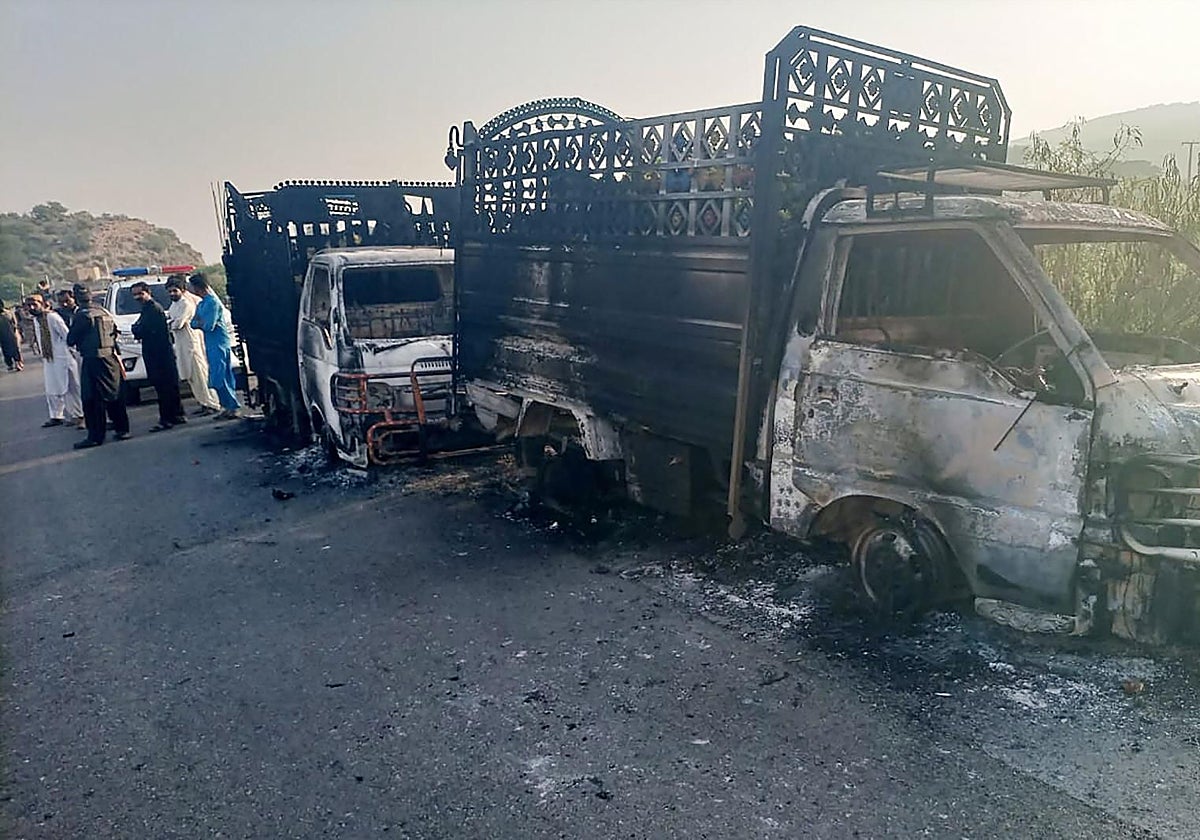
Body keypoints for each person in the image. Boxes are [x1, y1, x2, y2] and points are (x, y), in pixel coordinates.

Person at [67, 284, 130, 448]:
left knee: (92, 399)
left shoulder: (82, 315)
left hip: (93, 359)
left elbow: (71, 339)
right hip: (110, 357)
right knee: (114, 394)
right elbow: (115, 333)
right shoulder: (103, 312)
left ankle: (95, 436)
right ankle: (122, 428)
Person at [130, 281, 186, 431]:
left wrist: (136, 329)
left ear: (148, 293)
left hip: (159, 355)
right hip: (158, 353)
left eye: (140, 293)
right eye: (134, 295)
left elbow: (141, 329)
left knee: (163, 388)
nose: (137, 297)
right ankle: (176, 414)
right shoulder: (147, 309)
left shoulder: (153, 309)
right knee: (169, 386)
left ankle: (167, 419)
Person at [188, 272, 241, 420]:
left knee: (221, 376)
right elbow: (194, 323)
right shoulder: (202, 304)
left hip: (219, 343)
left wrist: (200, 322)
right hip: (210, 343)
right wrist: (200, 322)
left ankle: (233, 406)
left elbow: (208, 325)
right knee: (217, 376)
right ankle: (227, 406)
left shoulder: (213, 303)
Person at [165, 276, 219, 415]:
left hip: (191, 344)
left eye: (175, 291)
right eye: (170, 291)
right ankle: (203, 403)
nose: (172, 294)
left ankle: (212, 403)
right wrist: (172, 323)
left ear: (182, 290)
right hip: (181, 343)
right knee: (190, 376)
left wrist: (171, 323)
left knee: (200, 374)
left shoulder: (186, 304)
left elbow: (178, 323)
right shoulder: (173, 306)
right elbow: (173, 323)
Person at [25, 294, 74, 427]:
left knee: (68, 387)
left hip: (62, 357)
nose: (32, 307)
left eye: (34, 304)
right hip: (48, 358)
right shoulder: (36, 320)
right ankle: (56, 416)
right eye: (29, 305)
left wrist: (70, 353)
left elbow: (66, 336)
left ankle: (78, 416)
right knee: (51, 389)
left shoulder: (52, 317)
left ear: (43, 303)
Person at [54, 289, 85, 427]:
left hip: (83, 352)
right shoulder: (59, 315)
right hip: (68, 352)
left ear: (74, 298)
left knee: (81, 385)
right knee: (71, 385)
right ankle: (77, 414)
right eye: (61, 303)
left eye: (67, 301)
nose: (65, 305)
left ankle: (84, 415)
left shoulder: (82, 312)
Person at [0, 299, 24, 371]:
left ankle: (11, 364)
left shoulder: (7, 313)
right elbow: (14, 322)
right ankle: (16, 363)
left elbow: (14, 323)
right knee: (14, 348)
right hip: (10, 332)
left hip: (6, 333)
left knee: (7, 349)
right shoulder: (8, 313)